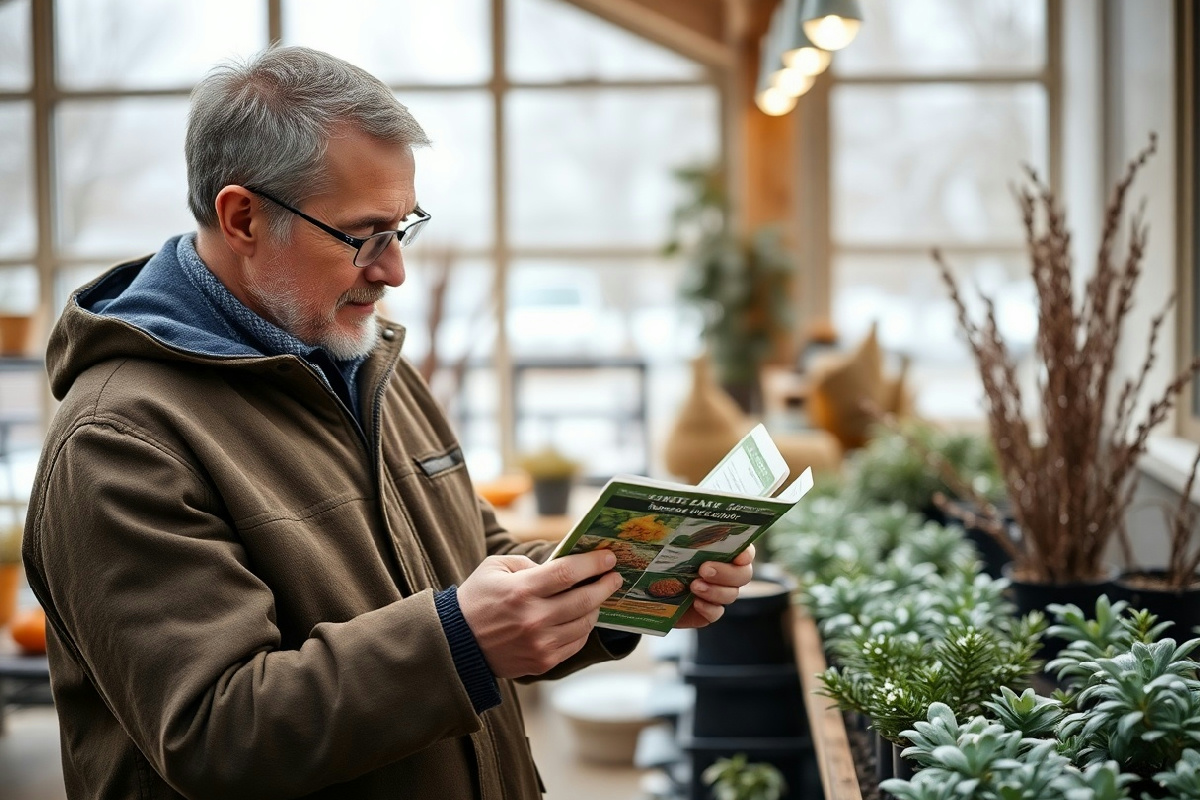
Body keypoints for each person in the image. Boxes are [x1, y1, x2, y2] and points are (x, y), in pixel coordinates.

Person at [22, 45, 754, 799]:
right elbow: (213, 734)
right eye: (363, 234)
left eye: (404, 227)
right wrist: (461, 642)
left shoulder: (365, 362)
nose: (394, 268)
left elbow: (479, 557)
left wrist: (633, 583)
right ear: (242, 217)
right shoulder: (118, 441)